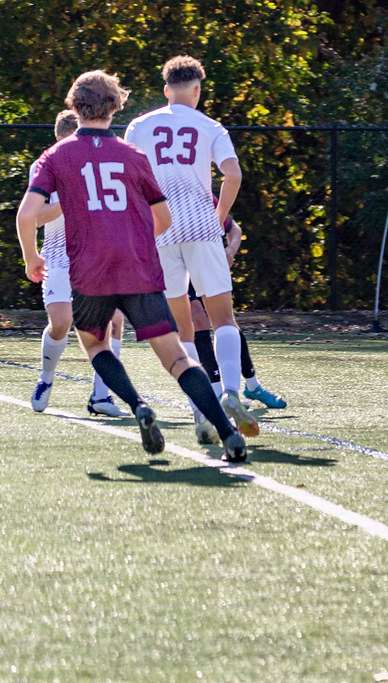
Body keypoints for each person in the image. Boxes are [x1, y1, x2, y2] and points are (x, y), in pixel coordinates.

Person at [15, 69, 246, 462]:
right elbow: (163, 219)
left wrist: (31, 257)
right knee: (176, 357)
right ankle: (228, 434)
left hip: (90, 270)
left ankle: (138, 404)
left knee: (95, 345)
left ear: (74, 105)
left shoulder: (56, 156)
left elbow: (26, 215)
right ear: (116, 106)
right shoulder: (132, 155)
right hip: (137, 267)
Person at [124, 55, 258, 443]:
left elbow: (129, 177)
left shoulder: (141, 125)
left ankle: (203, 410)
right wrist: (220, 216)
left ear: (167, 90)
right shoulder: (210, 126)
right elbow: (233, 175)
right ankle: (231, 391)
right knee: (224, 319)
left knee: (183, 330)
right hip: (201, 225)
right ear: (197, 91)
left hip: (160, 229)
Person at [26, 109, 129, 418]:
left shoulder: (96, 165)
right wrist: (64, 202)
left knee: (114, 321)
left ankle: (101, 395)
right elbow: (34, 216)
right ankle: (46, 378)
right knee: (61, 323)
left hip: (95, 257)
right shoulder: (43, 167)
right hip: (57, 257)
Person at [189, 210, 286, 412]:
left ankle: (252, 386)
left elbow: (234, 228)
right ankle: (217, 392)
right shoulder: (159, 191)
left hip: (206, 262)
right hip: (178, 265)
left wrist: (230, 250)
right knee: (197, 318)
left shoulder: (201, 196)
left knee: (227, 323)